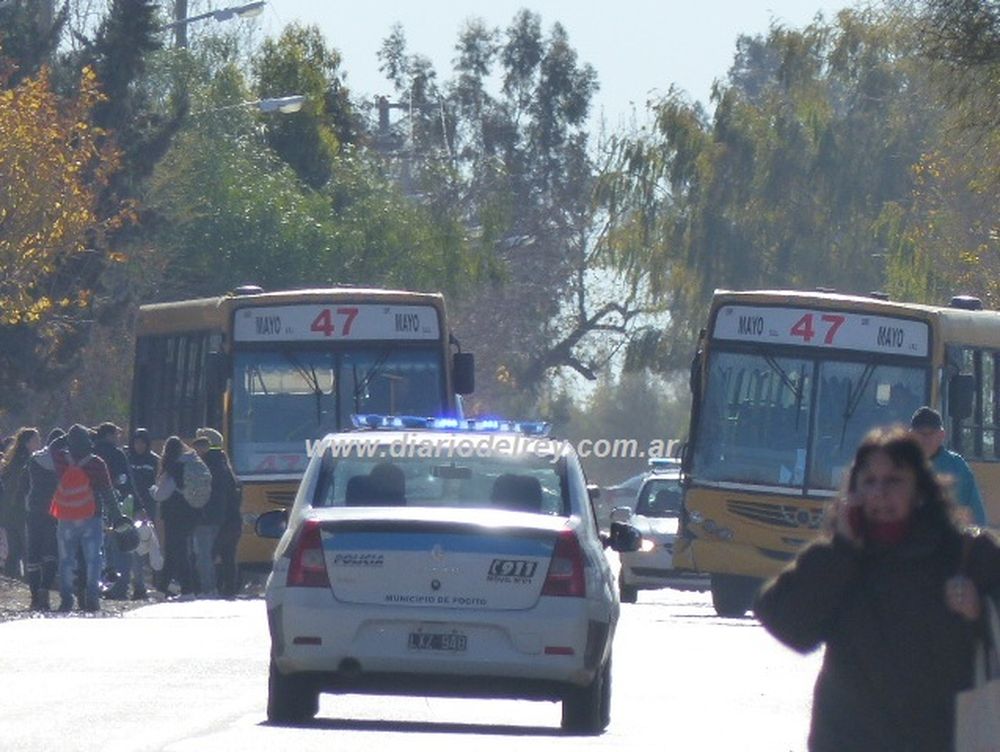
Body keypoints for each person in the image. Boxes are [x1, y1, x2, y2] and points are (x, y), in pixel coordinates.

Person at [755, 425, 1000, 751]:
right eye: (868, 481)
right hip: (847, 740)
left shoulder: (967, 555)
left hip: (939, 739)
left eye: (894, 481)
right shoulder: (838, 557)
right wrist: (841, 550)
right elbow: (789, 626)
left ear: (921, 490)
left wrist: (980, 610)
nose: (879, 493)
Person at [43, 424, 119, 613]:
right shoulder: (97, 463)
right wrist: (117, 516)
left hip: (66, 516)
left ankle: (67, 599)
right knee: (94, 559)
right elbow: (107, 491)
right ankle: (92, 598)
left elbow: (52, 445)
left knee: (66, 560)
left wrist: (66, 437)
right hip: (92, 516)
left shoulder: (61, 459)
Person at [909, 406, 987, 526]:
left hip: (947, 540)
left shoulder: (957, 466)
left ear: (941, 435)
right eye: (921, 434)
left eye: (931, 433)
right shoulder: (899, 465)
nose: (926, 439)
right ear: (911, 435)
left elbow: (976, 517)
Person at [93, 422, 136, 599]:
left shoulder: (91, 452)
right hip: (116, 505)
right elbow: (126, 481)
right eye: (116, 434)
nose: (118, 438)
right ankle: (118, 588)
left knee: (98, 549)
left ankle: (99, 586)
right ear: (109, 435)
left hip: (92, 506)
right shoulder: (117, 454)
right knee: (121, 548)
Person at [191, 428, 236, 596]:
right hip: (223, 517)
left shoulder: (206, 465)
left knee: (204, 555)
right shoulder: (223, 463)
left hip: (205, 516)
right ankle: (223, 587)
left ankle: (208, 588)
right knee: (221, 554)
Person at [152, 436, 198, 600]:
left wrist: (153, 491)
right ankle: (162, 589)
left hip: (174, 515)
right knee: (175, 551)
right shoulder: (191, 463)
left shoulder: (174, 467)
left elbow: (161, 494)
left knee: (177, 552)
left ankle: (187, 590)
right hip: (190, 513)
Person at [23, 428, 64, 611]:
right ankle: (44, 591)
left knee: (33, 553)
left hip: (34, 510)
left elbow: (24, 485)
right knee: (50, 553)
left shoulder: (34, 460)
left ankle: (34, 597)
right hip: (55, 510)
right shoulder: (65, 462)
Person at [0, 427, 41, 578]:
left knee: (14, 550)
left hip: (8, 511)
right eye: (36, 440)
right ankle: (30, 582)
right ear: (27, 443)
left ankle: (11, 579)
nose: (39, 443)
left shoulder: (11, 462)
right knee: (26, 549)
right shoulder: (28, 462)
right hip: (22, 511)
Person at [126, 427, 160, 600]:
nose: (138, 446)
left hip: (149, 508)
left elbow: (157, 484)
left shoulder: (154, 461)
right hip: (131, 508)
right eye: (136, 443)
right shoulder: (127, 458)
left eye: (142, 443)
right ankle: (138, 585)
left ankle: (156, 582)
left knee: (150, 546)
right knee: (135, 547)